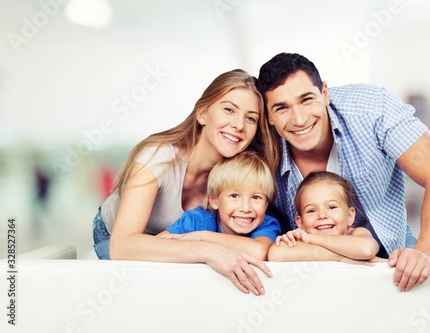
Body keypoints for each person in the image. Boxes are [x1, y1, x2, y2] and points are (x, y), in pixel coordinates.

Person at [257, 53, 430, 292]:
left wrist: (425, 252)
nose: (300, 119)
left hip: (389, 247)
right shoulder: (260, 143)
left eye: (306, 100)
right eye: (282, 108)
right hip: (308, 260)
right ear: (269, 115)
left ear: (324, 93)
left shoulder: (371, 108)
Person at [92, 69, 279, 295]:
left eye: (251, 118)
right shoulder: (160, 157)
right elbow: (122, 247)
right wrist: (207, 250)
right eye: (229, 109)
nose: (239, 125)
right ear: (202, 114)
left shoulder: (237, 174)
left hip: (179, 239)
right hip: (117, 235)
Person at [156, 151, 281, 260]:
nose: (246, 208)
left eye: (256, 197)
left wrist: (202, 237)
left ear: (266, 204)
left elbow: (259, 252)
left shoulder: (267, 224)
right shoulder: (197, 219)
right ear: (214, 200)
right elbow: (157, 245)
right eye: (234, 196)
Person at [268, 171, 379, 262]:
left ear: (350, 216)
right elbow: (275, 254)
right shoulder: (298, 239)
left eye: (331, 207)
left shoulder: (356, 233)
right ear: (300, 223)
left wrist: (311, 238)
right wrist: (343, 256)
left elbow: (366, 250)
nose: (322, 215)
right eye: (311, 210)